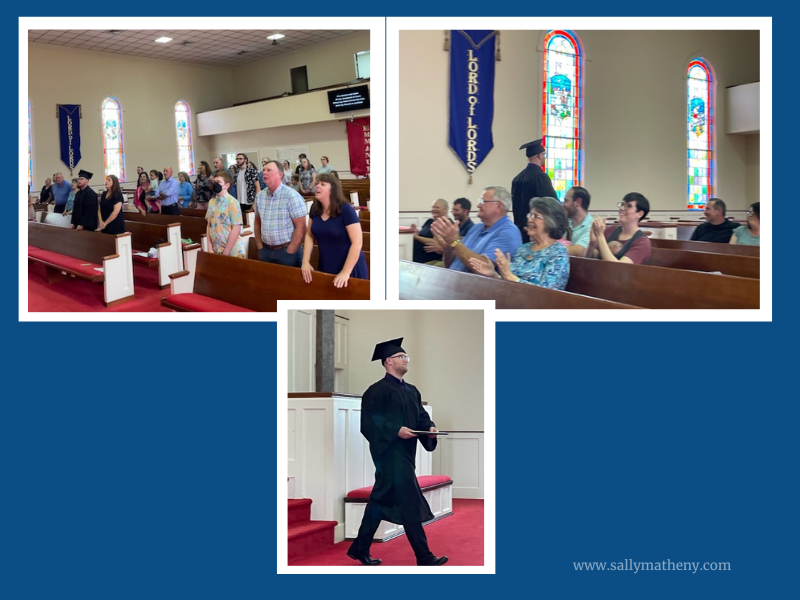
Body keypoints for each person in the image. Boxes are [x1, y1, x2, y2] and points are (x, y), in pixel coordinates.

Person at [347, 338, 448, 568]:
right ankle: (423, 556)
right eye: (402, 356)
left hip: (406, 454)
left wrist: (430, 429)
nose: (406, 359)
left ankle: (360, 548)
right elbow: (369, 423)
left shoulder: (412, 391)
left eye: (406, 357)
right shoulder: (376, 391)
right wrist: (396, 431)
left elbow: (421, 416)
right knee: (409, 501)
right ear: (388, 361)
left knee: (379, 502)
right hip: (388, 454)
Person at [468, 196, 570, 290]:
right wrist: (494, 274)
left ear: (551, 221)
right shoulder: (524, 249)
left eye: (535, 216)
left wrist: (510, 276)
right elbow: (508, 282)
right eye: (530, 215)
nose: (529, 219)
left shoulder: (557, 253)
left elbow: (550, 293)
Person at [430, 186, 522, 273]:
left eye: (483, 201)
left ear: (498, 206)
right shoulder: (476, 228)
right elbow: (449, 266)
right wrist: (447, 247)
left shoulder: (508, 232)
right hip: (452, 281)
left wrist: (454, 241)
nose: (478, 205)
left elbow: (483, 267)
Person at [301, 173, 368, 286]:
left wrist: (346, 271)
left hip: (349, 266)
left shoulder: (346, 210)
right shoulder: (315, 208)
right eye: (317, 183)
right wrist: (305, 261)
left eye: (322, 184)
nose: (317, 186)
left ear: (333, 190)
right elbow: (309, 235)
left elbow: (357, 243)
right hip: (327, 263)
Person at [254, 160, 307, 266]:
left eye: (269, 170)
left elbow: (301, 227)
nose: (264, 172)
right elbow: (257, 223)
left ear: (280, 174)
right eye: (264, 170)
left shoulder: (291, 195)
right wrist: (260, 246)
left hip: (287, 251)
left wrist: (290, 251)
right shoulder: (260, 196)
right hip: (266, 251)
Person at [511, 138, 557, 243]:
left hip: (520, 232)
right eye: (544, 154)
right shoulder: (541, 177)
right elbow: (552, 205)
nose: (544, 157)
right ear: (539, 155)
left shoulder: (517, 178)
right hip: (536, 232)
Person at [585, 192, 652, 264]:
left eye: (628, 206)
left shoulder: (642, 242)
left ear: (639, 214)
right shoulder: (610, 230)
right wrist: (592, 243)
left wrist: (600, 236)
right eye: (622, 204)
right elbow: (590, 260)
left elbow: (619, 268)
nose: (622, 208)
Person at [205, 171, 247, 258]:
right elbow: (209, 225)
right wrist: (210, 248)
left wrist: (226, 253)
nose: (215, 184)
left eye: (218, 182)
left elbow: (236, 229)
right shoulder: (212, 202)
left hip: (232, 250)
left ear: (226, 185)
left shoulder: (232, 202)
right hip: (216, 249)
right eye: (214, 182)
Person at [410, 199, 450, 265]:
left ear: (445, 209)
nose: (434, 209)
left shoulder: (445, 223)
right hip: (415, 254)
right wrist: (416, 232)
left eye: (437, 207)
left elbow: (435, 242)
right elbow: (423, 234)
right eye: (433, 207)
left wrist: (416, 237)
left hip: (427, 258)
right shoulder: (429, 221)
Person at [562, 186, 593, 256]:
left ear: (577, 202)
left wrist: (551, 249)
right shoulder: (566, 222)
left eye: (566, 201)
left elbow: (579, 251)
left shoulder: (591, 226)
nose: (563, 205)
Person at [230, 152, 261, 218]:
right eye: (237, 159)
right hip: (239, 201)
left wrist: (255, 203)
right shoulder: (236, 172)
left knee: (250, 222)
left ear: (245, 160)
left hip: (250, 201)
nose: (238, 160)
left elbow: (258, 187)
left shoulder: (252, 171)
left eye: (240, 159)